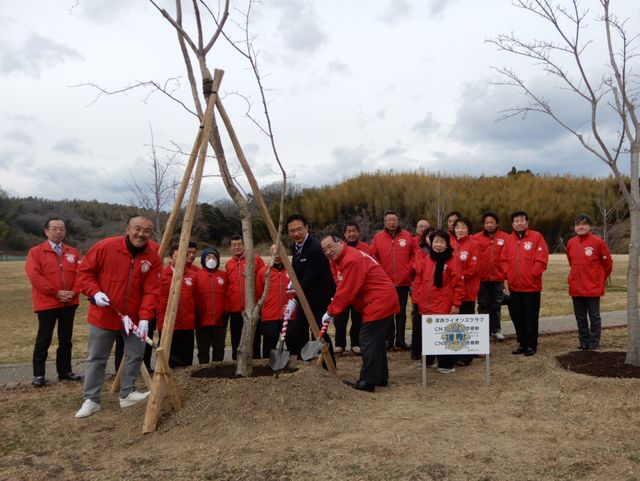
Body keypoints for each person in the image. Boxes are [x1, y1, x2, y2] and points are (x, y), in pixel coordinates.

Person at [74, 215, 161, 418]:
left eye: (146, 231)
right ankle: (91, 399)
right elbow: (84, 273)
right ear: (128, 229)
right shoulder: (106, 246)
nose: (141, 234)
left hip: (134, 319)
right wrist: (94, 293)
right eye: (137, 229)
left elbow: (151, 291)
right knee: (96, 358)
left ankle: (127, 393)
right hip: (104, 314)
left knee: (135, 354)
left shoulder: (152, 256)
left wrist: (145, 318)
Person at [321, 234, 399, 392]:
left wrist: (331, 311)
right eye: (324, 250)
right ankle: (380, 378)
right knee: (375, 341)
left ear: (340, 243)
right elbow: (342, 286)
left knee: (367, 339)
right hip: (379, 299)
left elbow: (347, 290)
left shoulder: (351, 259)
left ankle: (367, 381)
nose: (328, 251)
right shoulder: (341, 260)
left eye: (330, 246)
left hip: (379, 301)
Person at [25, 217, 82, 388]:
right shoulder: (36, 252)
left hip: (69, 303)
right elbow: (35, 276)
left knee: (66, 339)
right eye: (54, 228)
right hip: (47, 303)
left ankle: (65, 371)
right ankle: (39, 374)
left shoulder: (72, 252)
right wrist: (55, 293)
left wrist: (73, 292)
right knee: (44, 338)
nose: (58, 232)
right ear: (46, 231)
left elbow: (82, 274)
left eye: (62, 229)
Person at [286, 214, 336, 363]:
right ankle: (305, 364)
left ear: (307, 228)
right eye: (292, 230)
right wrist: (292, 284)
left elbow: (310, 277)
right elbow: (296, 269)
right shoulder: (294, 247)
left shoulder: (315, 248)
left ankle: (329, 365)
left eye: (299, 229)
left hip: (319, 296)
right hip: (304, 295)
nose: (296, 234)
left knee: (318, 332)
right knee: (298, 329)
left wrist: (295, 294)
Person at [414, 229, 465, 373]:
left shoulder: (453, 260)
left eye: (442, 242)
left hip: (443, 304)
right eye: (436, 241)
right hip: (426, 304)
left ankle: (446, 364)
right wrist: (418, 296)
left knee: (443, 335)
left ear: (447, 244)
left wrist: (456, 304)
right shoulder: (428, 258)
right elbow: (421, 279)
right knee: (428, 334)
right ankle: (429, 361)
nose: (438, 245)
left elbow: (459, 285)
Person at [501, 211, 549, 357]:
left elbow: (541, 260)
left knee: (531, 317)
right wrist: (508, 274)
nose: (519, 223)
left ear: (527, 223)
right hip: (514, 287)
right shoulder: (509, 240)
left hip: (531, 287)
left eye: (522, 220)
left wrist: (532, 274)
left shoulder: (536, 237)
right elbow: (503, 260)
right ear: (512, 224)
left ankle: (531, 345)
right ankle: (522, 343)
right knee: (517, 316)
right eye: (516, 221)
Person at [566, 214, 613, 350]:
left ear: (589, 226)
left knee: (594, 317)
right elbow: (571, 262)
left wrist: (599, 280)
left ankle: (593, 343)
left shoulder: (598, 242)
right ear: (574, 227)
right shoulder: (571, 243)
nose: (581, 227)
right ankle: (584, 342)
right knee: (580, 318)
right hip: (576, 287)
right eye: (578, 224)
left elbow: (608, 264)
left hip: (592, 287)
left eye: (584, 224)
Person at [369, 210, 415, 350]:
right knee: (388, 312)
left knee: (401, 312)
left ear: (398, 220)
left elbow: (414, 254)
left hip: (403, 281)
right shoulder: (378, 237)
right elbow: (372, 256)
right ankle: (388, 341)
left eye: (394, 219)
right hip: (385, 283)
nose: (391, 222)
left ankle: (400, 340)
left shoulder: (407, 236)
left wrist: (409, 268)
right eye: (388, 220)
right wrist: (380, 273)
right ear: (384, 222)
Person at [225, 234, 266, 360]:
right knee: (237, 339)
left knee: (254, 338)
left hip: (252, 308)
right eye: (234, 245)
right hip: (236, 309)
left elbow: (262, 280)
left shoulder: (255, 259)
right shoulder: (229, 264)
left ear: (244, 245)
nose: (236, 247)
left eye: (239, 244)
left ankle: (256, 361)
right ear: (231, 247)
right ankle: (237, 362)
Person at [157, 244, 197, 368]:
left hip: (186, 323)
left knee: (186, 358)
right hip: (167, 323)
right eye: (176, 256)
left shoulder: (192, 275)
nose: (180, 259)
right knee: (169, 357)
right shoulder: (162, 275)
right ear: (171, 257)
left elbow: (195, 298)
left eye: (183, 256)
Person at [333, 221, 370, 354]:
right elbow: (332, 266)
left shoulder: (365, 248)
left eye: (354, 231)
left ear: (358, 232)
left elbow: (369, 266)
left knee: (357, 318)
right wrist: (338, 282)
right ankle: (339, 344)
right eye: (348, 231)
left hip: (359, 290)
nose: (351, 233)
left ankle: (355, 343)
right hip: (342, 288)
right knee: (340, 318)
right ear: (344, 233)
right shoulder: (338, 247)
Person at [473, 211, 509, 340]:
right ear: (483, 224)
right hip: (481, 278)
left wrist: (505, 277)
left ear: (497, 223)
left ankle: (496, 329)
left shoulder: (505, 237)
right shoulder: (476, 238)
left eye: (491, 222)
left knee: (496, 305)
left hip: (498, 278)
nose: (489, 225)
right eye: (486, 222)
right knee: (483, 304)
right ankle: (483, 331)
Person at [255, 245, 292, 358]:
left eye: (279, 252)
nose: (277, 256)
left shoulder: (292, 270)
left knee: (293, 345)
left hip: (290, 315)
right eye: (274, 253)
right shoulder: (263, 272)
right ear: (270, 254)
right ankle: (268, 368)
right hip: (270, 316)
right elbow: (259, 293)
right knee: (269, 347)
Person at [453, 217, 480, 366]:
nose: (460, 230)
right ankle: (454, 352)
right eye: (457, 227)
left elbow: (473, 268)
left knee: (466, 322)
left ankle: (466, 356)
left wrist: (457, 277)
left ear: (468, 229)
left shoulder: (474, 244)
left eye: (463, 227)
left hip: (468, 290)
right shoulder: (451, 243)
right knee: (455, 322)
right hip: (452, 292)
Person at [194, 247, 227, 363]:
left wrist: (225, 313)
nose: (211, 259)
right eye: (209, 257)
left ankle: (217, 369)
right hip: (202, 320)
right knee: (203, 349)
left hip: (219, 320)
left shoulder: (223, 275)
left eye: (214, 257)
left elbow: (228, 295)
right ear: (203, 259)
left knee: (219, 347)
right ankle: (203, 370)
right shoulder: (196, 276)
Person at [411, 225, 435, 361]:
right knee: (418, 324)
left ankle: (433, 352)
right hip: (420, 293)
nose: (431, 239)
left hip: (437, 295)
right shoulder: (420, 251)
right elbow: (420, 269)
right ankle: (416, 352)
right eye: (428, 236)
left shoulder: (443, 251)